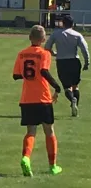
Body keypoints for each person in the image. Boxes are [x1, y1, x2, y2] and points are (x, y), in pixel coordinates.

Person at [13, 25, 62, 177]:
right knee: (49, 131)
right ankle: (53, 166)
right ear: (43, 39)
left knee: (31, 132)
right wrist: (57, 87)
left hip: (27, 98)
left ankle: (26, 158)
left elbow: (16, 75)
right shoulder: (44, 53)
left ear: (30, 37)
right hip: (43, 97)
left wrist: (28, 77)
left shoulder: (22, 54)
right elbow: (44, 71)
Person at [44, 15, 89, 117]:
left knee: (67, 87)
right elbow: (84, 49)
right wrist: (87, 62)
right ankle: (75, 106)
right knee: (75, 86)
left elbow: (47, 47)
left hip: (62, 62)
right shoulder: (77, 35)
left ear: (63, 23)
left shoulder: (56, 34)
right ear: (72, 24)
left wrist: (54, 53)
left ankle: (72, 100)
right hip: (74, 61)